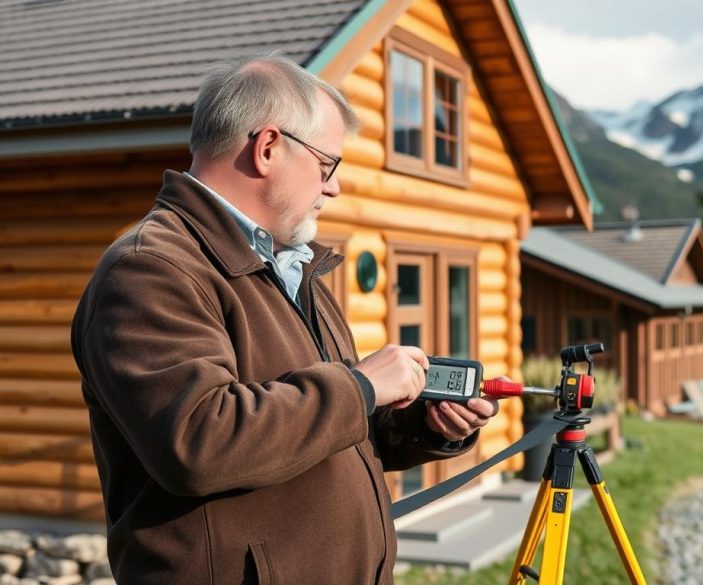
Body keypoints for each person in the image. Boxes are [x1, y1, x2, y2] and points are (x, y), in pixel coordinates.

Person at [70, 55, 499, 585]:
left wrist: (422, 425)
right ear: (268, 147)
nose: (333, 188)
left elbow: (320, 430)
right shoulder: (150, 268)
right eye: (328, 166)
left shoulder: (289, 264)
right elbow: (199, 442)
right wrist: (362, 384)